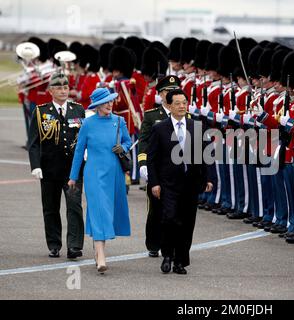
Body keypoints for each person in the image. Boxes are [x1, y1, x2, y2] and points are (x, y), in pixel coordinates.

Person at [147, 89, 214, 274]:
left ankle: (180, 260)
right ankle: (167, 255)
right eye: (177, 103)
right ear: (169, 106)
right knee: (169, 219)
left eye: (184, 102)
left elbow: (205, 155)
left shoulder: (196, 126)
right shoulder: (159, 129)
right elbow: (151, 159)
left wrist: (208, 178)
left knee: (187, 222)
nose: (182, 106)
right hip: (168, 183)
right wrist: (154, 183)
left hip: (190, 182)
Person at [68, 87, 132, 273]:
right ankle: (101, 255)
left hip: (114, 174)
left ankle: (98, 251)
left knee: (105, 211)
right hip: (94, 173)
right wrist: (73, 177)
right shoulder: (88, 124)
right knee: (99, 210)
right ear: (97, 106)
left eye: (111, 101)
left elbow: (128, 142)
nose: (110, 104)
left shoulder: (119, 122)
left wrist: (123, 148)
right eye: (106, 102)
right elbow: (79, 152)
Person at [28, 72, 85, 259]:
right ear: (51, 90)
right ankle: (54, 244)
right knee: (51, 208)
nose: (63, 90)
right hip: (49, 169)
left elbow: (84, 138)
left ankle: (74, 246)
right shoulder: (41, 111)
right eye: (59, 88)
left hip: (73, 170)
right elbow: (34, 142)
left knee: (74, 207)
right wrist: (35, 165)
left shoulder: (78, 110)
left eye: (66, 87)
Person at [138, 75, 181, 258]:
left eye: (175, 90)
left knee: (177, 210)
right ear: (161, 94)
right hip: (157, 168)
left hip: (178, 169)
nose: (171, 94)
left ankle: (172, 245)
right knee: (156, 209)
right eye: (168, 91)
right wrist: (143, 163)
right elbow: (144, 141)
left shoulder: (184, 115)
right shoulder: (152, 115)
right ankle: (154, 243)